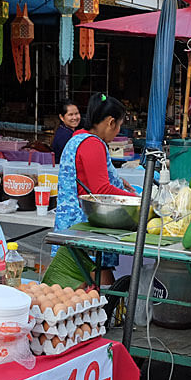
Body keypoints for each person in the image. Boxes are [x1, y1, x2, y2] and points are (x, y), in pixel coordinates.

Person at [48, 93, 136, 287]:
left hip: (72, 227)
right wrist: (140, 200)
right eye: (119, 125)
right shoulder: (93, 144)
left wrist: (119, 181)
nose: (118, 130)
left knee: (79, 293)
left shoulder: (78, 138)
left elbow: (85, 176)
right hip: (86, 229)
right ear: (111, 122)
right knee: (97, 290)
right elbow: (101, 189)